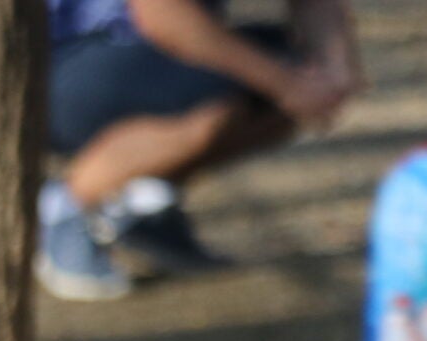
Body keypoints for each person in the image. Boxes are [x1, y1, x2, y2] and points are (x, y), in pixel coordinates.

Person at [38, 0, 363, 300]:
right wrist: (288, 85)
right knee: (224, 92)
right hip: (61, 66)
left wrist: (334, 69)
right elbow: (164, 16)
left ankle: (141, 202)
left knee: (288, 71)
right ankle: (67, 206)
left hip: (137, 55)